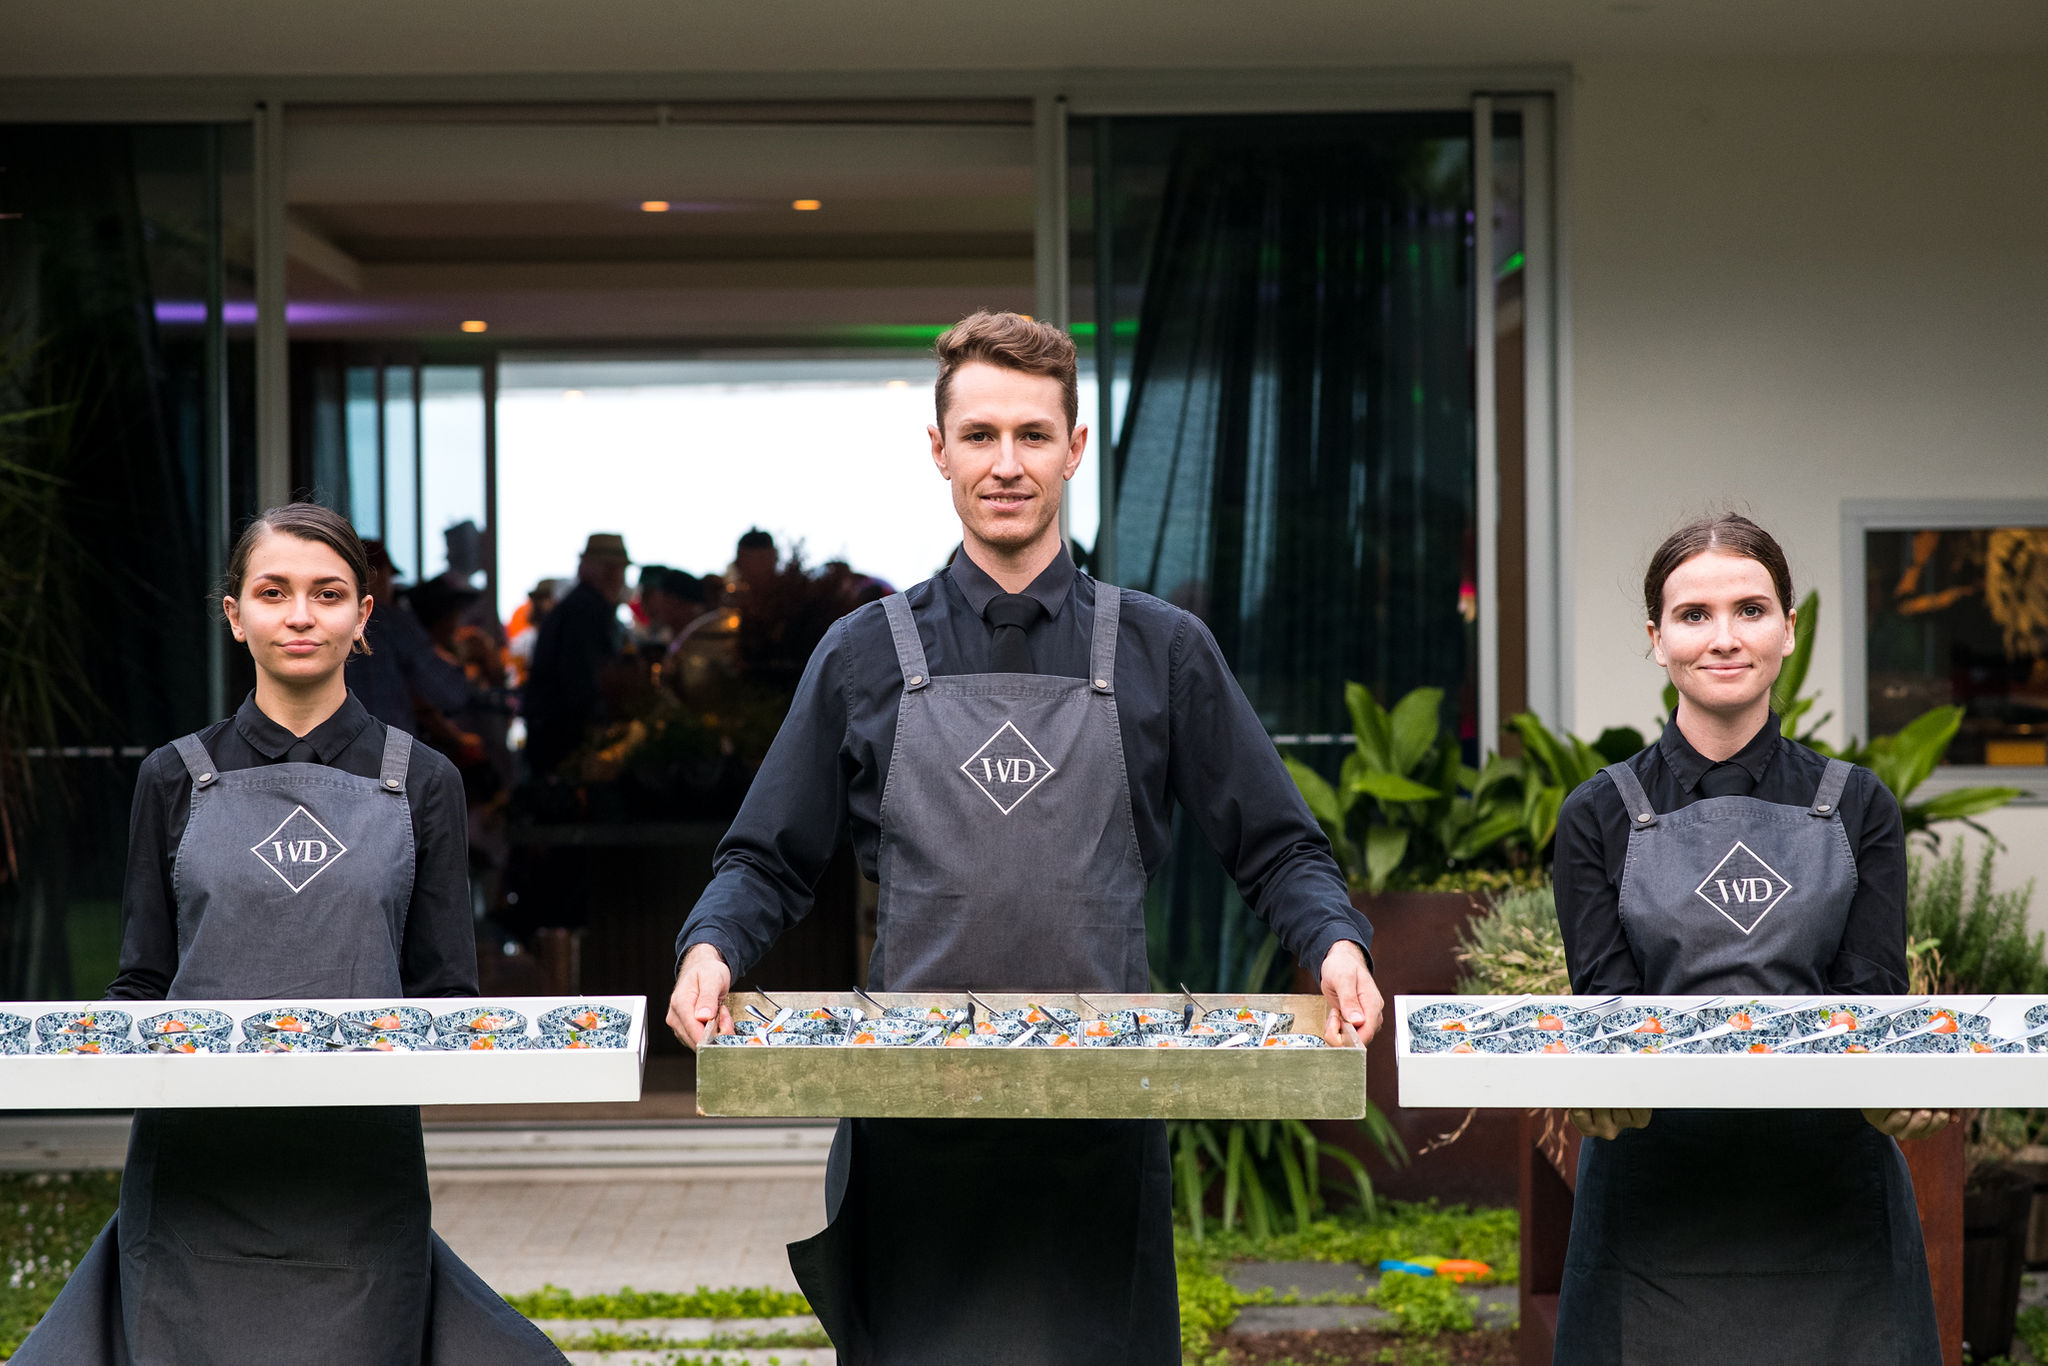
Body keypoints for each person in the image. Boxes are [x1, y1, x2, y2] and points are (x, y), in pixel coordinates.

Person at [669, 311, 1383, 1365]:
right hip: (911, 1127)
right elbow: (766, 857)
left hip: (1100, 1130)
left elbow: (1278, 847)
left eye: (1033, 435)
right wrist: (711, 945)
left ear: (1074, 448)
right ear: (939, 450)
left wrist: (1333, 942)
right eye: (980, 435)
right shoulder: (863, 655)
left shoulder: (1163, 650)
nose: (1006, 464)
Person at [15, 503, 563, 1366]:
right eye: (273, 593)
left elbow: (445, 998)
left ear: (363, 617)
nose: (301, 615)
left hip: (359, 1175)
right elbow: (142, 984)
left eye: (327, 593)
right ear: (235, 615)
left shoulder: (425, 782)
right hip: (195, 1174)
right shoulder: (172, 777)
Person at [1550, 513, 1946, 1365]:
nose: (1723, 638)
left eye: (1751, 610)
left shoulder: (1860, 805)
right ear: (1656, 639)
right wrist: (1591, 1084)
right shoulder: (1598, 814)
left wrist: (1901, 1084)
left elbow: (1871, 1008)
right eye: (1693, 615)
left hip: (1833, 1207)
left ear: (1788, 630)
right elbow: (1609, 1015)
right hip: (1653, 1208)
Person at [521, 532, 630, 778]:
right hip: (567, 744)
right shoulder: (588, 611)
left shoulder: (576, 606)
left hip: (551, 738)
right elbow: (583, 682)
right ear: (610, 571)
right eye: (620, 570)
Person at [346, 538, 472, 736]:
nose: (392, 587)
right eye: (389, 577)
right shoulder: (390, 622)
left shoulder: (323, 623)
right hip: (387, 749)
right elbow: (450, 692)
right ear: (373, 576)